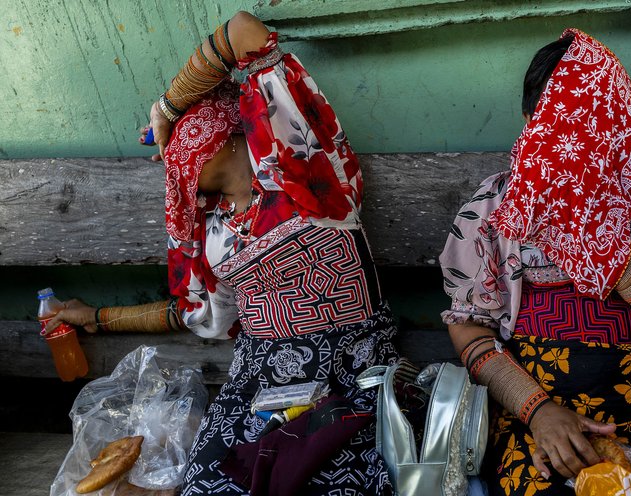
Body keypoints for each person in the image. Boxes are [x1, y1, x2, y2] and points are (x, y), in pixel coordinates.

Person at [44, 12, 398, 495]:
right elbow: (195, 313)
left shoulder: (304, 171)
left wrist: (166, 108)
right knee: (212, 483)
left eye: (183, 142)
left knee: (329, 481)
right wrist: (97, 317)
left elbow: (244, 32)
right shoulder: (213, 232)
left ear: (226, 133)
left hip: (347, 372)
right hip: (256, 385)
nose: (171, 162)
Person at [440, 28, 631, 495]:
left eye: (595, 124)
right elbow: (469, 325)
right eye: (560, 127)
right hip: (544, 411)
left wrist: (599, 234)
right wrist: (538, 411)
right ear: (529, 123)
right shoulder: (494, 207)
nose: (579, 143)